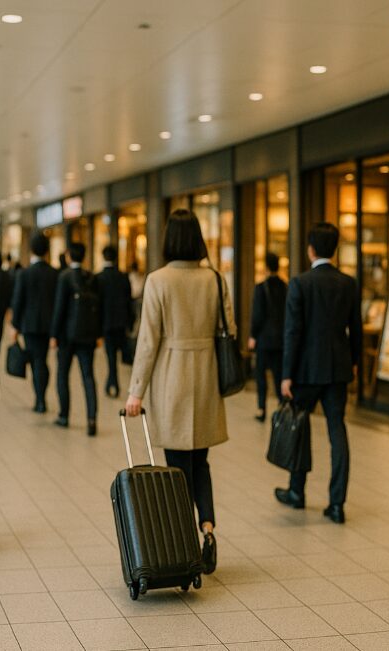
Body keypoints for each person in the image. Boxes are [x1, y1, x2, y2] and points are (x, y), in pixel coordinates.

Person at [124, 209, 232, 575]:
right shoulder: (215, 279)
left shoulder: (158, 280)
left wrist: (135, 392)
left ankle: (182, 544)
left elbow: (148, 341)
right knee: (200, 462)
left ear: (169, 239)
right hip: (205, 377)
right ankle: (208, 530)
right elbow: (228, 326)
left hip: (172, 379)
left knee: (176, 468)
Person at [275, 223, 361, 525]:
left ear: (310, 249)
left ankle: (297, 491)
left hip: (305, 370)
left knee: (300, 428)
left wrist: (287, 374)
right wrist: (354, 362)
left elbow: (293, 332)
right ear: (334, 249)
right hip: (337, 368)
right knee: (337, 431)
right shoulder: (348, 283)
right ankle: (337, 503)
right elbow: (356, 328)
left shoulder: (300, 283)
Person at [50, 242, 101, 435]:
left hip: (66, 336)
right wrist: (98, 334)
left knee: (63, 374)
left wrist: (54, 335)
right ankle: (91, 419)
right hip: (88, 335)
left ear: (69, 256)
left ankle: (64, 415)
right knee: (88, 376)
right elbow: (99, 308)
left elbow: (59, 308)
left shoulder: (64, 277)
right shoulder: (92, 277)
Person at [10, 233, 59, 413]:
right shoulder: (55, 274)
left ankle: (39, 399)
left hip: (29, 326)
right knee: (41, 359)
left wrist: (15, 326)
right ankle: (41, 397)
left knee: (36, 361)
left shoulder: (24, 273)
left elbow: (18, 301)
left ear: (31, 250)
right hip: (48, 325)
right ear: (47, 250)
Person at [248, 252, 287, 422]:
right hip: (280, 340)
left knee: (261, 374)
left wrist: (252, 335)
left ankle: (261, 408)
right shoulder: (285, 287)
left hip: (263, 339)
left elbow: (257, 315)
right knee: (278, 374)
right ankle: (281, 406)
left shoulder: (261, 288)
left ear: (266, 266)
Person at [97, 245, 134, 398]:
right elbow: (129, 301)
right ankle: (112, 383)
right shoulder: (122, 276)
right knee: (117, 354)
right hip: (121, 322)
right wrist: (130, 323)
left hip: (106, 323)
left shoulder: (99, 278)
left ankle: (113, 383)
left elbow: (97, 305)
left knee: (111, 355)